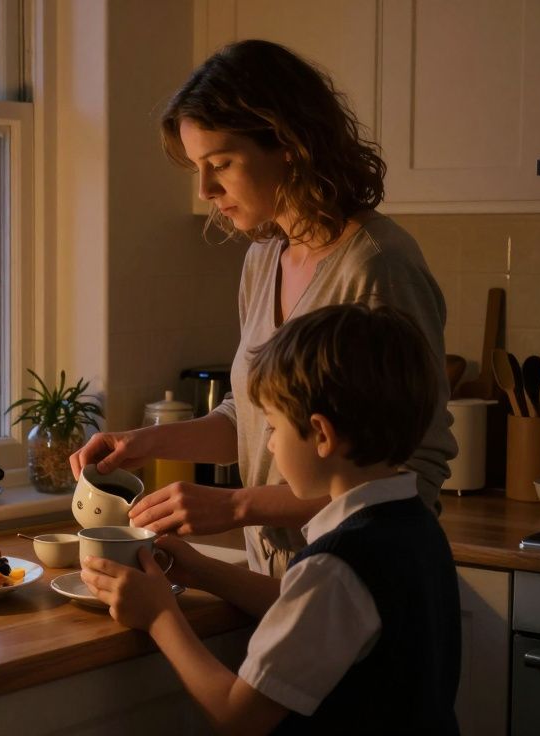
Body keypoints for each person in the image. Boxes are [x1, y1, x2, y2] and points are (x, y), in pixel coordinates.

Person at [68, 39, 456, 575]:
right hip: (278, 580)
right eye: (197, 168)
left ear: (290, 143)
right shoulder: (262, 259)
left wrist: (233, 506)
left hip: (360, 579)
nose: (205, 188)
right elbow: (251, 420)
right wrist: (144, 444)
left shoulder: (375, 265)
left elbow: (411, 473)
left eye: (221, 163)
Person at [81, 304, 461, 735]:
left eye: (273, 427)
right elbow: (314, 612)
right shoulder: (415, 526)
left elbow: (237, 715)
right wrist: (205, 571)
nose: (270, 446)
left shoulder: (334, 567)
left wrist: (159, 616)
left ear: (321, 434)